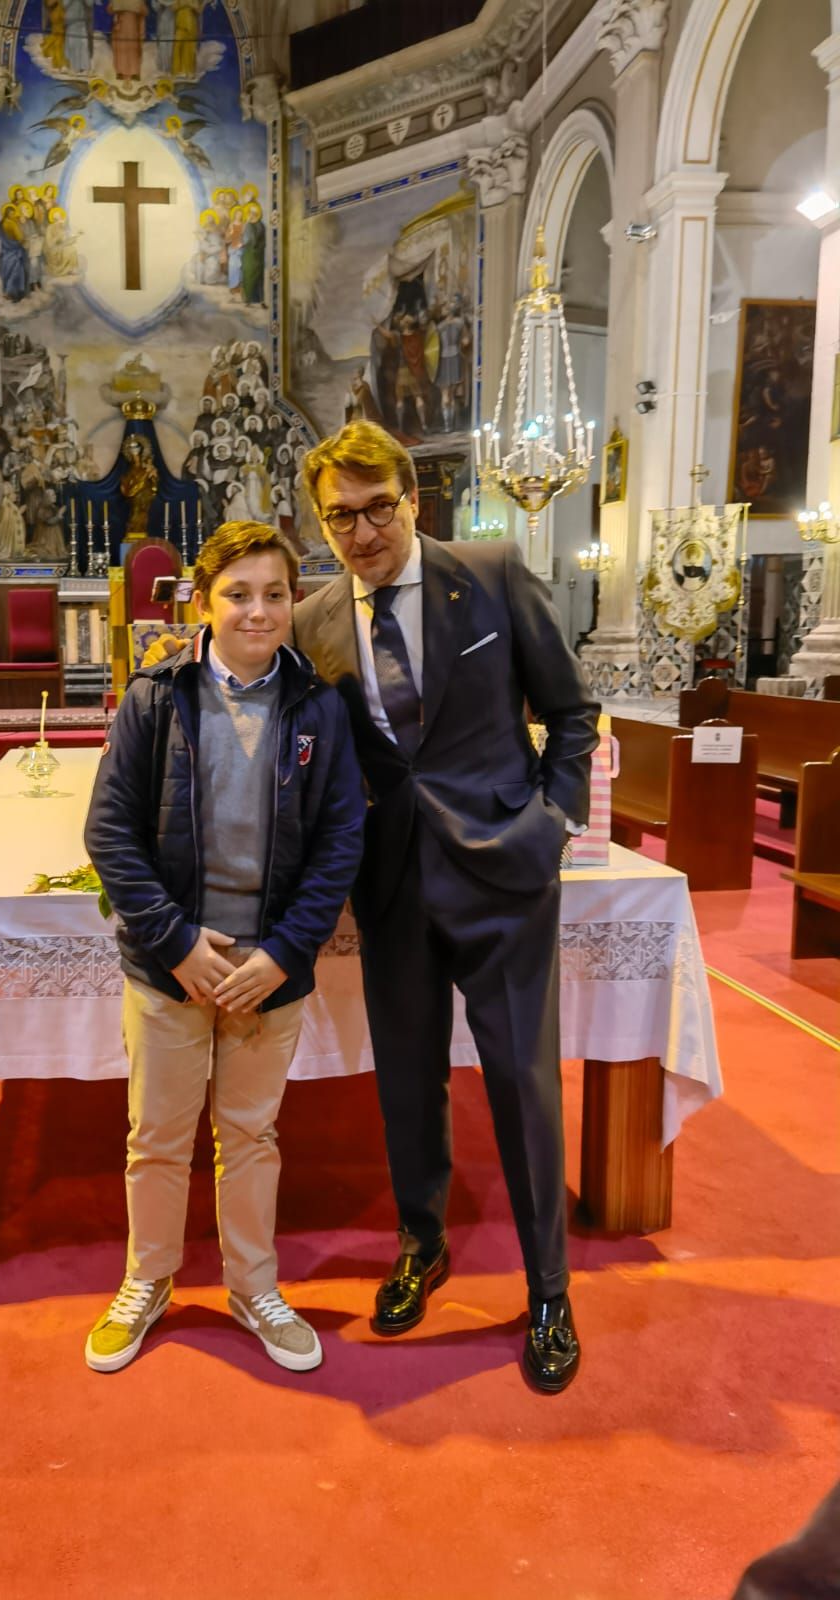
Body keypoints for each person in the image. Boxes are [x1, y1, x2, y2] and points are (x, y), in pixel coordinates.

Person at [295, 420, 600, 1392]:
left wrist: (552, 820)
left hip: (506, 876)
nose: (363, 529)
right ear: (321, 523)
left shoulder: (495, 575)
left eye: (378, 505)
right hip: (390, 884)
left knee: (522, 1079)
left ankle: (549, 1289)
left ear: (412, 497)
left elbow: (574, 711)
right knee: (407, 1086)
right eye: (340, 515)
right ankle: (421, 1244)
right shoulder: (314, 622)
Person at [83, 520, 365, 1375]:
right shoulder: (156, 696)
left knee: (250, 1135)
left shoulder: (318, 707)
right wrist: (174, 942)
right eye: (238, 594)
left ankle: (253, 1286)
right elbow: (111, 831)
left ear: (293, 601)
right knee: (159, 1136)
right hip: (174, 964)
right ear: (202, 602)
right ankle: (149, 1279)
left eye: (275, 594)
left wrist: (283, 952)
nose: (259, 611)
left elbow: (340, 840)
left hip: (266, 967)